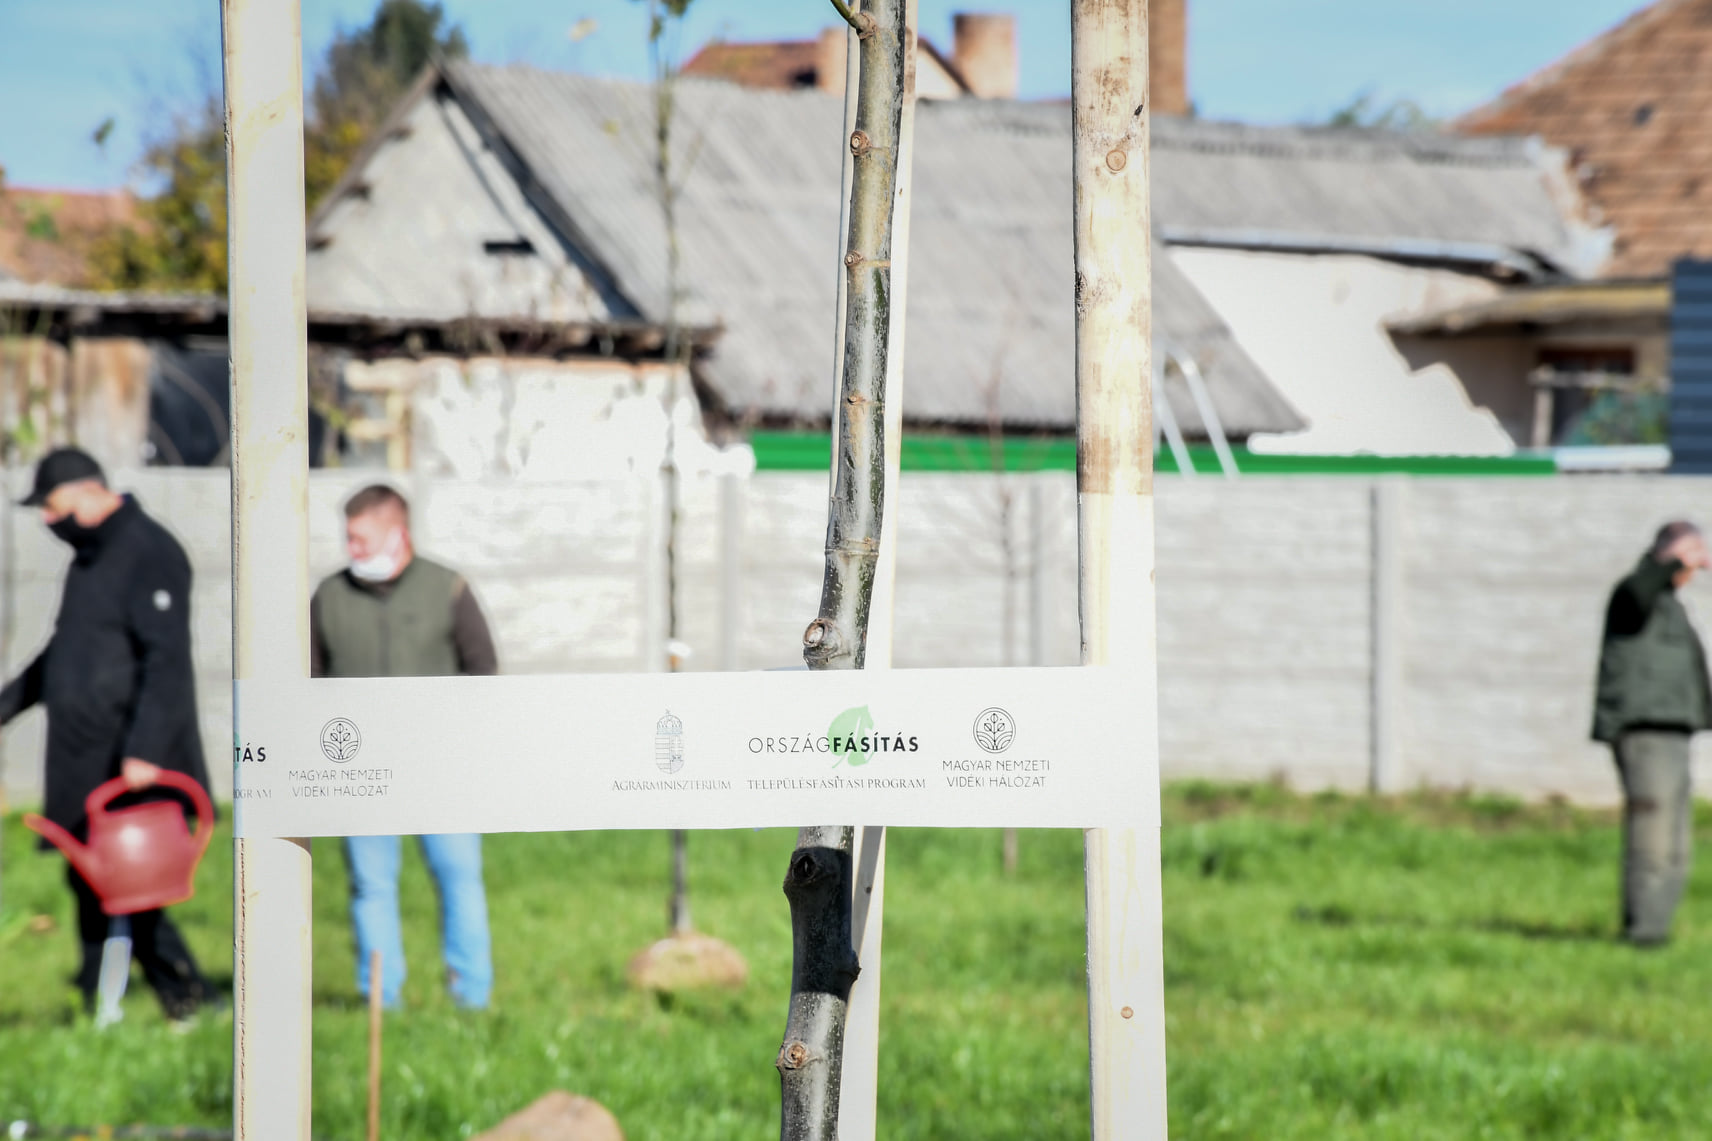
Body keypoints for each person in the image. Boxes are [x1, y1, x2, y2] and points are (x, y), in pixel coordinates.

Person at [0, 447, 213, 1019]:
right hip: (85, 760)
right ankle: (114, 999)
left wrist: (143, 750)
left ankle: (181, 1000)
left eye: (52, 506)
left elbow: (166, 662)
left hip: (130, 765)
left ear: (86, 492)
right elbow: (63, 655)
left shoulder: (150, 552)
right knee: (95, 885)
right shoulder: (90, 560)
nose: (48, 520)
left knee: (131, 889)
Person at [311, 484, 498, 1009]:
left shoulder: (448, 588)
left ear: (399, 533)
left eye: (362, 538)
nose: (354, 550)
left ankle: (472, 998)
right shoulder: (329, 596)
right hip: (361, 772)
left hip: (442, 770)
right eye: (348, 538)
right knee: (371, 886)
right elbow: (309, 678)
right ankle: (381, 998)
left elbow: (483, 671)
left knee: (459, 878)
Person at [1593, 520, 1712, 946]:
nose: (1697, 567)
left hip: (1674, 732)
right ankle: (1643, 934)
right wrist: (1675, 560)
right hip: (1643, 733)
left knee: (1677, 843)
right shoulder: (1635, 593)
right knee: (1654, 838)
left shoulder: (1670, 603)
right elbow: (1637, 594)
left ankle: (1656, 927)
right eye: (1692, 557)